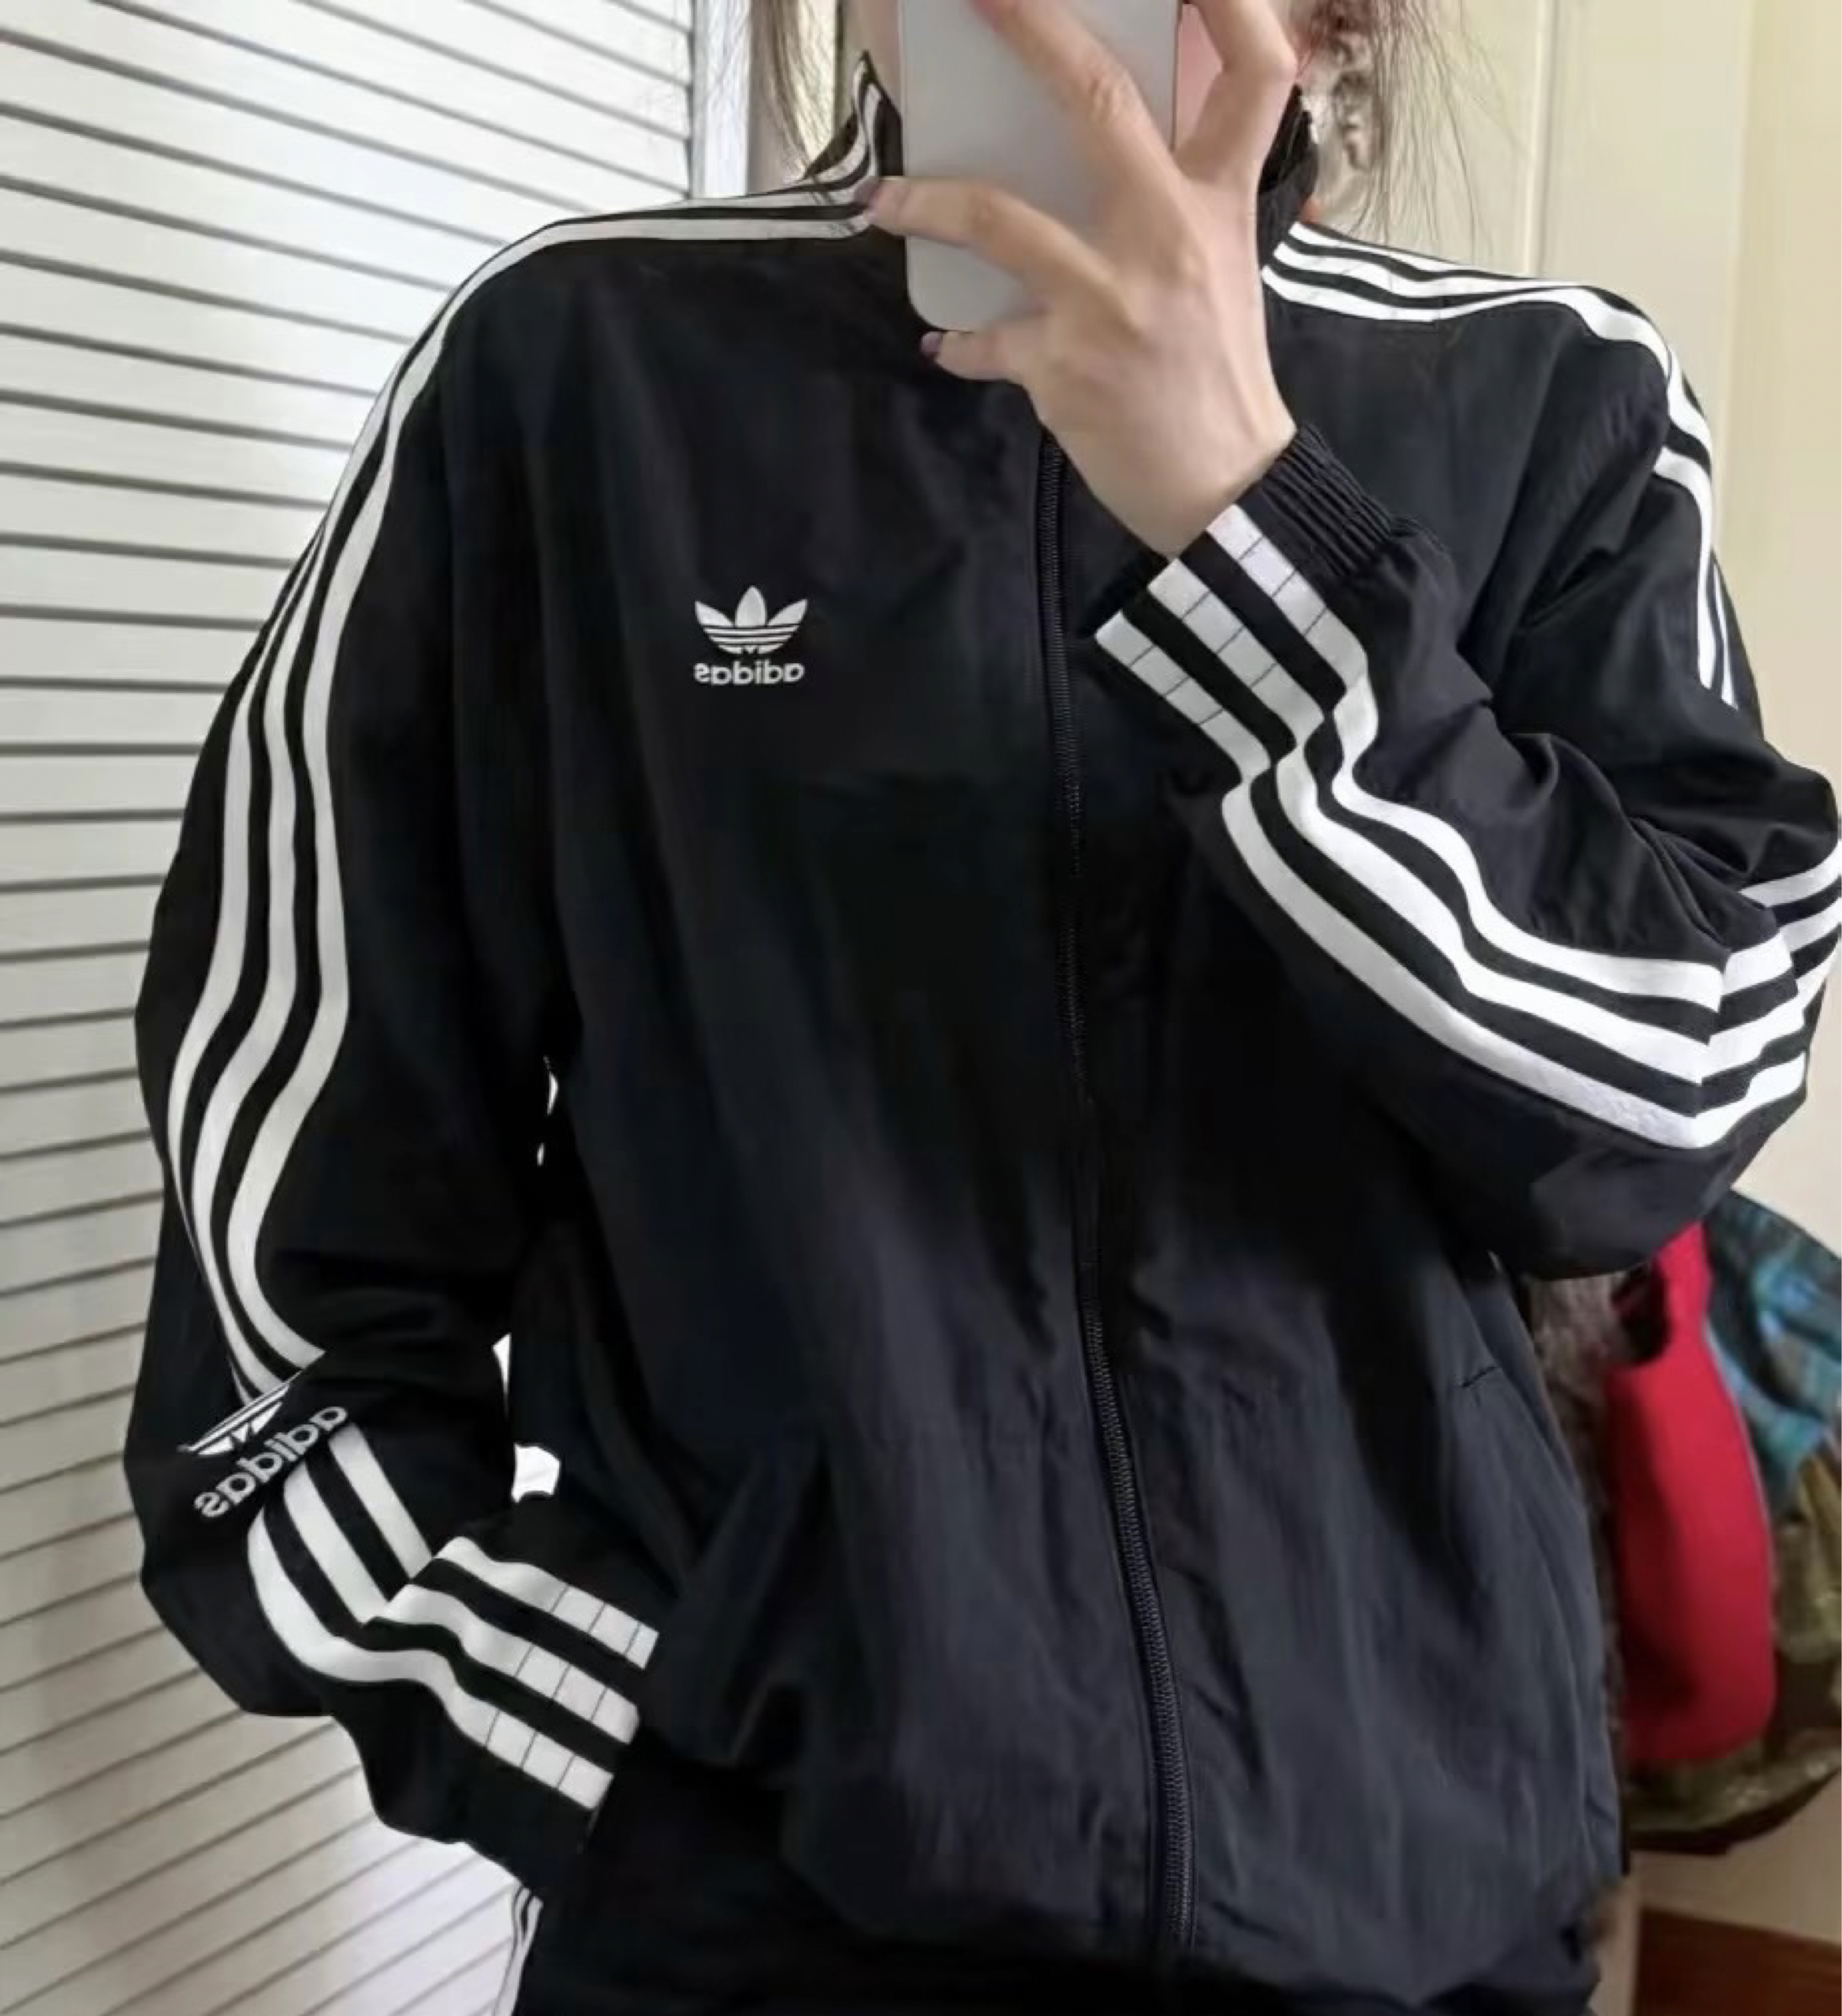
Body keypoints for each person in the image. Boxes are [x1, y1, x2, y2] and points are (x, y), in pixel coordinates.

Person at [124, 1, 1839, 2010]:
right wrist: (612, 1761)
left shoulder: (1544, 396)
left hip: (1416, 1923)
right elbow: (287, 1268)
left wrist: (1248, 526)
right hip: (763, 1941)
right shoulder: (577, 370)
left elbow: (1656, 1102)